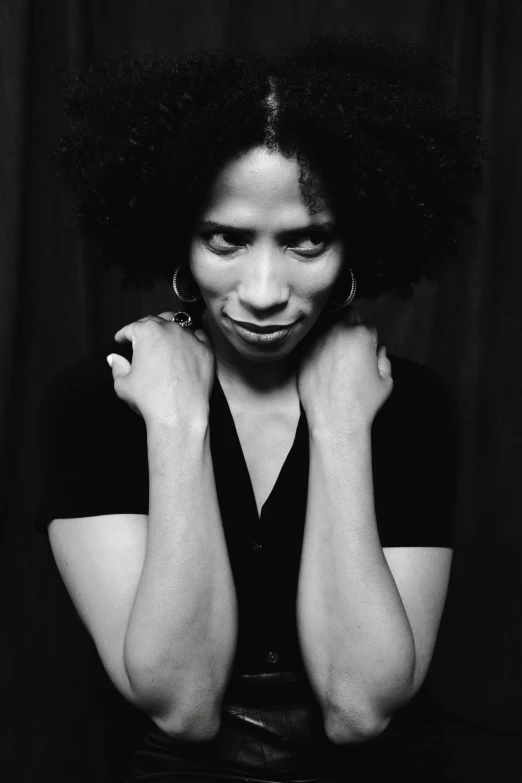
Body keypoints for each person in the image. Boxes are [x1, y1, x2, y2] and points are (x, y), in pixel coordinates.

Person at [35, 30, 491, 782]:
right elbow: (182, 704)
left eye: (308, 241)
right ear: (180, 235)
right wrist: (178, 420)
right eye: (227, 238)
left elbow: (362, 706)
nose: (265, 291)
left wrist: (343, 424)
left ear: (356, 243)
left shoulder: (408, 407)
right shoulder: (95, 403)